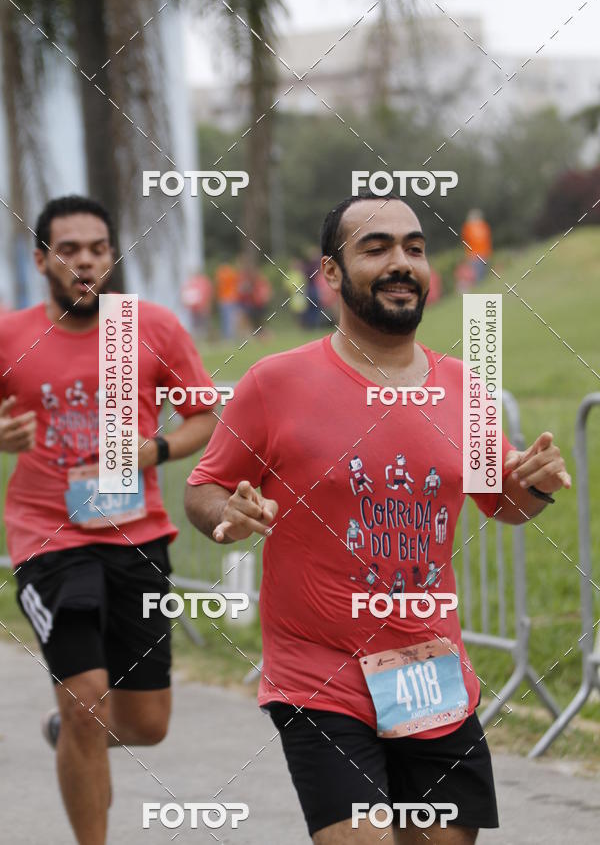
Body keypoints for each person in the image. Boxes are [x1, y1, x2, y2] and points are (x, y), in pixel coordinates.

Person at [184, 193, 571, 843]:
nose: (401, 262)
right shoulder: (274, 383)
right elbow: (204, 489)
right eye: (376, 247)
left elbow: (502, 504)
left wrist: (534, 488)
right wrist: (231, 514)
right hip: (319, 673)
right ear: (330, 274)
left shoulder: (464, 389)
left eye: (414, 248)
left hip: (427, 667)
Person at [0, 195, 218, 845]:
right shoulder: (11, 335)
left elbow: (204, 417)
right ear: (42, 260)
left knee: (147, 722)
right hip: (49, 539)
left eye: (97, 248)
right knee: (86, 701)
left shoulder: (152, 327)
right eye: (69, 250)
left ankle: (68, 729)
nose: (85, 261)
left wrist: (155, 449)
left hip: (138, 537)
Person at [461, 209, 492, 283]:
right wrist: (468, 254)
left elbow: (488, 239)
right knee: (478, 273)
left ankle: (485, 286)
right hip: (474, 255)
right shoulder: (467, 227)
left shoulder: (484, 226)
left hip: (484, 252)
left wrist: (489, 251)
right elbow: (465, 242)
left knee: (485, 272)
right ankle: (480, 287)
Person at [215, 260, 240, 339]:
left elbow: (218, 285)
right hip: (230, 298)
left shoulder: (220, 273)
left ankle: (228, 337)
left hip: (225, 299)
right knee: (229, 319)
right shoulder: (231, 272)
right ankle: (229, 336)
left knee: (226, 320)